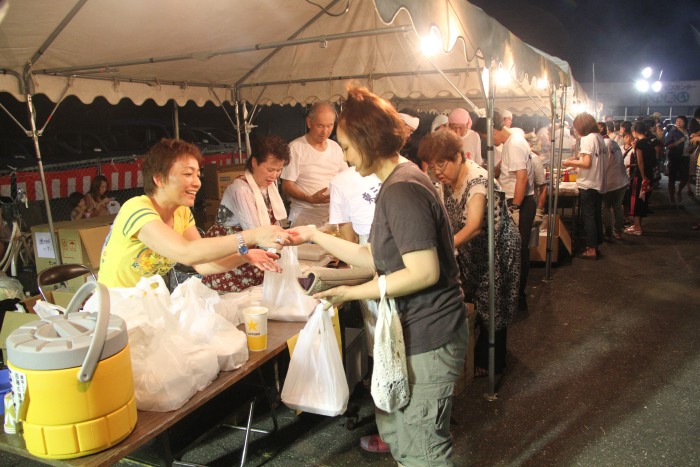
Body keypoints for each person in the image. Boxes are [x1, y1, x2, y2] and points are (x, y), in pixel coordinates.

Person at [289, 86, 467, 466]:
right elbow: (373, 257)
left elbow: (424, 271)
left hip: (429, 333)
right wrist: (314, 235)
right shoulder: (394, 182)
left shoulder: (402, 189)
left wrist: (353, 294)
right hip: (416, 331)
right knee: (403, 437)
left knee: (423, 448)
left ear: (368, 142)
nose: (346, 156)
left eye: (348, 146)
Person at [99, 139, 289, 288]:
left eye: (198, 174)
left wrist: (244, 256)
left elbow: (203, 265)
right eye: (188, 174)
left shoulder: (182, 213)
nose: (197, 182)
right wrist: (252, 236)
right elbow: (187, 253)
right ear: (159, 179)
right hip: (115, 310)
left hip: (148, 306)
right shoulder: (137, 209)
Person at [418, 130, 519, 377]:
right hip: (471, 249)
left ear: (459, 157)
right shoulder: (447, 182)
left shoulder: (478, 180)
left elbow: (473, 226)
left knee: (492, 303)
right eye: (432, 166)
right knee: (473, 297)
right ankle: (476, 354)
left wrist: (443, 248)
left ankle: (493, 362)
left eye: (442, 164)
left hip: (496, 247)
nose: (437, 171)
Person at [201, 135, 291, 293]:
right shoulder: (241, 189)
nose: (275, 175)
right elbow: (255, 232)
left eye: (279, 170)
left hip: (253, 253)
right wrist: (287, 241)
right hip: (232, 255)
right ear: (255, 162)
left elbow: (273, 224)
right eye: (270, 169)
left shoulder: (269, 184)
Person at [493, 110, 536, 308]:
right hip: (514, 201)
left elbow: (522, 177)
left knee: (517, 251)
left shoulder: (515, 143)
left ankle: (518, 297)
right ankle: (513, 294)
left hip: (520, 202)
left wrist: (515, 208)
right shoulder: (512, 143)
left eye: (485, 136)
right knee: (513, 250)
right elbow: (507, 169)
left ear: (492, 130)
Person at [281, 102, 348, 227]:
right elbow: (286, 186)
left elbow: (346, 178)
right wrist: (309, 198)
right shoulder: (295, 148)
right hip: (305, 216)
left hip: (333, 216)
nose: (325, 131)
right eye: (320, 126)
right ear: (309, 122)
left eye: (330, 125)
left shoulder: (335, 147)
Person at [563, 113, 607, 258]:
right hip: (598, 182)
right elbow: (589, 159)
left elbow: (586, 163)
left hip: (588, 183)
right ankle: (596, 245)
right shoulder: (599, 137)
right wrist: (576, 160)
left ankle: (591, 249)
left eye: (576, 127)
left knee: (588, 217)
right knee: (595, 216)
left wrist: (569, 163)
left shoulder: (587, 139)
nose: (575, 131)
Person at [599, 122, 628, 240]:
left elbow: (599, 165)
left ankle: (608, 232)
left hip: (610, 181)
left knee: (605, 206)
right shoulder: (613, 142)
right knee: (617, 206)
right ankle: (618, 231)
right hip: (622, 181)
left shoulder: (602, 145)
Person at [626, 121, 655, 235]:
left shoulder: (639, 143)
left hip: (640, 176)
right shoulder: (649, 142)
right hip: (649, 174)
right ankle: (638, 225)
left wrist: (642, 176)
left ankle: (637, 227)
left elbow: (640, 161)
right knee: (643, 200)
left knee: (636, 200)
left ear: (634, 131)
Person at [665, 115, 690, 204]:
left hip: (685, 157)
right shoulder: (673, 132)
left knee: (685, 178)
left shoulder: (689, 132)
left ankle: (679, 191)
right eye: (677, 121)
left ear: (685, 122)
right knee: (672, 178)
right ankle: (672, 197)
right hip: (675, 157)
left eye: (680, 121)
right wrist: (679, 141)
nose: (678, 123)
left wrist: (691, 148)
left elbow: (691, 143)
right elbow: (667, 145)